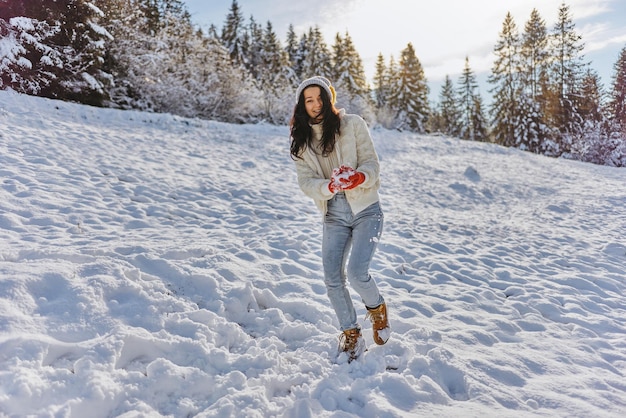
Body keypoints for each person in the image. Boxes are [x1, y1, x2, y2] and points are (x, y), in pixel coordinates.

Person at [289, 76, 389, 362]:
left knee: (357, 273)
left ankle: (377, 309)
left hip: (366, 209)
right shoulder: (301, 142)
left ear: (329, 98)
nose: (316, 104)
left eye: (320, 98)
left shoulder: (353, 125)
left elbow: (372, 164)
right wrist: (328, 187)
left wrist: (359, 177)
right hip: (334, 214)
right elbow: (306, 182)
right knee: (332, 278)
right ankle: (351, 333)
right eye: (309, 100)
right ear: (302, 105)